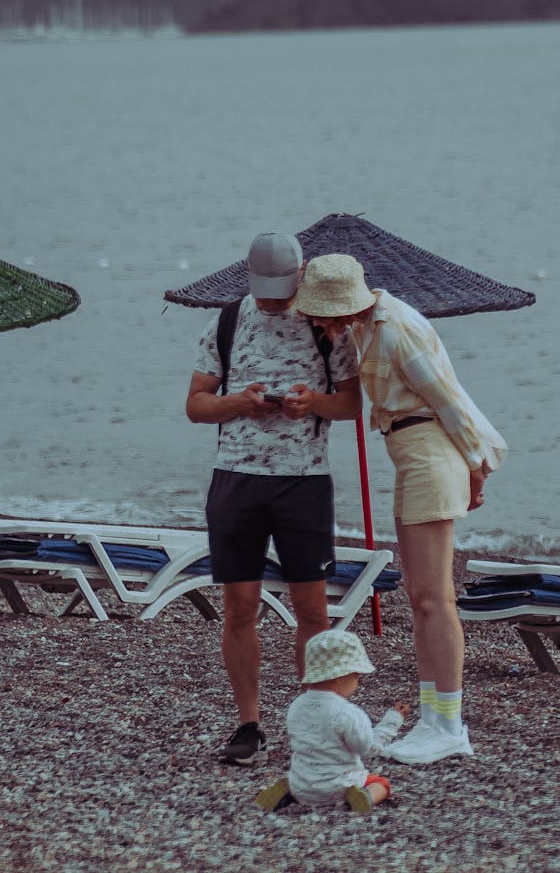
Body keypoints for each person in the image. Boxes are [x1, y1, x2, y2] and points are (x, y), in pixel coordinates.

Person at [295, 253, 507, 766]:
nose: (318, 320)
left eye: (322, 312)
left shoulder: (396, 330)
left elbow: (451, 402)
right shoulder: (366, 328)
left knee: (436, 599)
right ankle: (435, 718)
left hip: (432, 454)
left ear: (346, 304)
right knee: (419, 598)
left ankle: (448, 724)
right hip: (413, 456)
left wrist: (477, 469)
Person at [186, 232, 362, 766]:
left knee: (312, 609)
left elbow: (352, 405)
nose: (271, 300)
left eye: (281, 290)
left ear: (302, 275)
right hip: (235, 480)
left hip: (303, 482)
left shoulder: (328, 327)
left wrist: (313, 403)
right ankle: (248, 724)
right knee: (239, 609)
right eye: (264, 290)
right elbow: (196, 405)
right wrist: (237, 402)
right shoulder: (226, 321)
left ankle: (319, 717)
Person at [255, 629, 408, 814]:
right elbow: (368, 749)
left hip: (303, 786)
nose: (357, 682)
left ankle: (288, 790)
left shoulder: (296, 706)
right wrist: (392, 721)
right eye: (356, 676)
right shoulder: (347, 713)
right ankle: (364, 797)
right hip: (341, 786)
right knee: (381, 783)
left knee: (301, 775)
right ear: (338, 677)